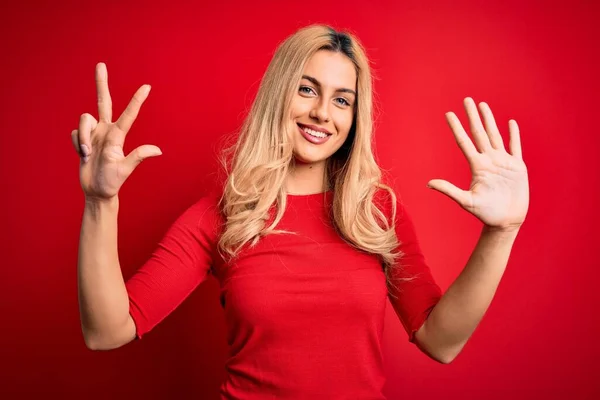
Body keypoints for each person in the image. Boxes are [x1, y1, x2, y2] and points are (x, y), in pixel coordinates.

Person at [73, 25, 529, 399]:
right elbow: (107, 330)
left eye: (341, 99)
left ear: (354, 117)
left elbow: (441, 341)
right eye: (307, 89)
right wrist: (100, 202)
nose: (321, 113)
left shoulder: (376, 213)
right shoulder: (220, 216)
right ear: (279, 95)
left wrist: (501, 232)